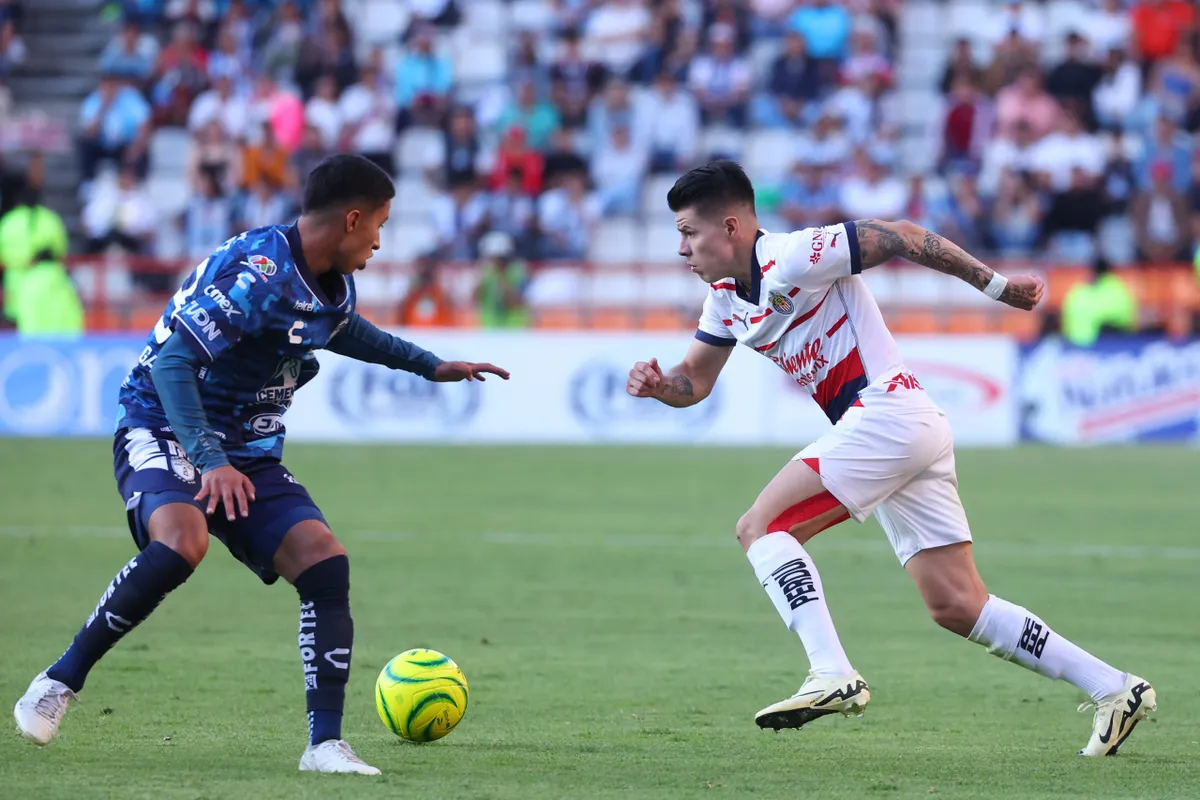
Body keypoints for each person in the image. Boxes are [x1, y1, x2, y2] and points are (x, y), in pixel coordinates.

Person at [626, 160, 1154, 756]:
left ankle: (832, 673)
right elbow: (694, 383)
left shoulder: (795, 256)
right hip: (904, 429)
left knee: (760, 526)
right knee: (957, 604)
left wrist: (997, 288)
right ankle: (1115, 689)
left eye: (687, 233)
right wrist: (658, 385)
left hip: (887, 415)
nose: (680, 249)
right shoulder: (723, 301)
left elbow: (901, 234)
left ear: (729, 226)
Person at [13, 155, 509, 775]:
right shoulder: (257, 272)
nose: (381, 240)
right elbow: (172, 365)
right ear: (352, 218)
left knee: (324, 561)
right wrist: (209, 460)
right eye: (379, 225)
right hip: (164, 424)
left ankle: (323, 745)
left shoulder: (327, 276)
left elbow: (342, 329)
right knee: (181, 543)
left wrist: (431, 365)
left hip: (244, 450)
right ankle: (58, 681)